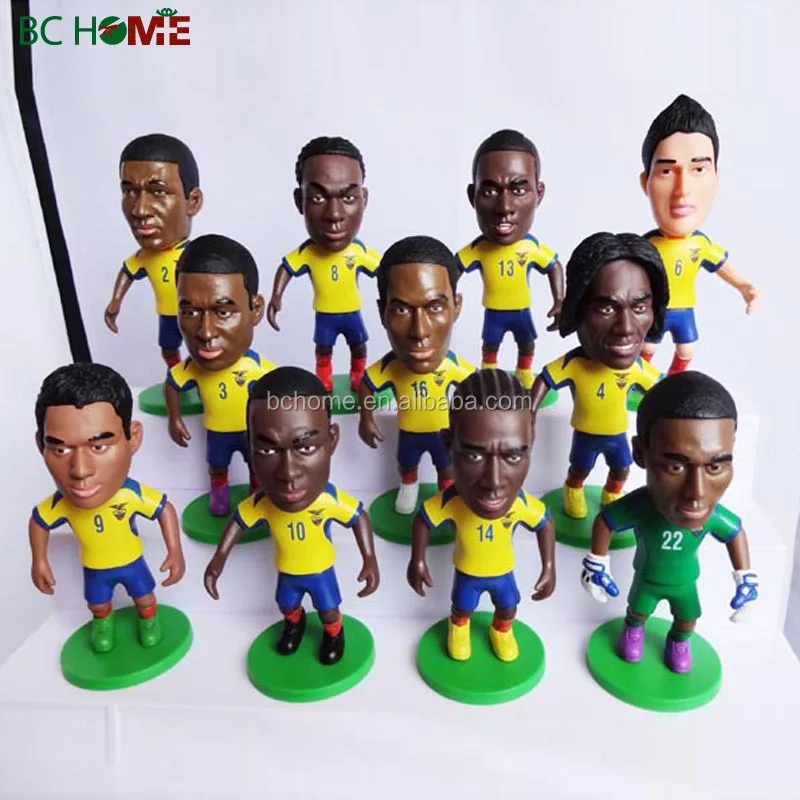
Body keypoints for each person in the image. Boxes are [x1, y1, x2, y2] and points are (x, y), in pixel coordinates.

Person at [581, 371, 759, 673]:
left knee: (687, 618)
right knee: (638, 611)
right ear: (640, 454)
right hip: (647, 580)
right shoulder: (641, 506)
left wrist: (745, 577)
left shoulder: (712, 514)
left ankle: (679, 641)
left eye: (714, 467)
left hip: (685, 583)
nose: (696, 493)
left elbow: (735, 533)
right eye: (675, 466)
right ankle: (633, 630)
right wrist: (596, 562)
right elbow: (607, 520)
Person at [203, 367, 380, 665]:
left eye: (306, 447)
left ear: (332, 440)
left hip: (320, 571)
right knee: (286, 605)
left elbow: (358, 517)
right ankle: (294, 626)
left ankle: (334, 634)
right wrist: (219, 558)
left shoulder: (328, 500)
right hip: (286, 571)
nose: (288, 473)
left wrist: (370, 557)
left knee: (328, 609)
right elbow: (239, 520)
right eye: (267, 451)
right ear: (250, 446)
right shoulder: (263, 502)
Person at [29, 363, 185, 653]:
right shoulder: (61, 504)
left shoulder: (130, 495)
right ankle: (103, 625)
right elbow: (39, 521)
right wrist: (39, 560)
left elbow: (164, 508)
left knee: (145, 596)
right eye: (60, 449)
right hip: (95, 568)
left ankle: (149, 621)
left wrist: (174, 550)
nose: (80, 470)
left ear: (133, 438)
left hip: (131, 562)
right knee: (98, 604)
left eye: (98, 447)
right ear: (41, 445)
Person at [408, 369, 556, 662]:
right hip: (467, 573)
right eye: (474, 456)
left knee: (508, 606)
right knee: (462, 606)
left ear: (531, 441)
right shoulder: (451, 501)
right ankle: (459, 628)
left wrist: (549, 566)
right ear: (448, 445)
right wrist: (417, 560)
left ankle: (501, 630)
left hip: (503, 573)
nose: (493, 482)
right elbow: (423, 519)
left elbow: (544, 523)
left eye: (513, 456)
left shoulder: (521, 504)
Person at [530, 232, 668, 520]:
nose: (625, 327)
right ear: (577, 309)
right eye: (607, 308)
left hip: (617, 434)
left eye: (639, 307)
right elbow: (545, 379)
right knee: (580, 468)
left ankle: (612, 493)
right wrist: (528, 413)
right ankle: (573, 489)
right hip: (586, 435)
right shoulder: (575, 364)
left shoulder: (637, 369)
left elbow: (664, 390)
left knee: (622, 467)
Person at [639, 95, 759, 375]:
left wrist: (744, 287)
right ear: (645, 182)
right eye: (667, 171)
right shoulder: (647, 246)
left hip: (684, 310)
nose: (682, 190)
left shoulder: (701, 245)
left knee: (687, 349)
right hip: (655, 310)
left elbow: (723, 267)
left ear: (716, 178)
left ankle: (675, 382)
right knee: (647, 347)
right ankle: (639, 382)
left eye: (699, 169)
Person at [358, 235, 474, 515]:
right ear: (382, 311)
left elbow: (476, 391)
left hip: (443, 432)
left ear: (456, 306)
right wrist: (366, 418)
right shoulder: (390, 367)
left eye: (435, 307)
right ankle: (408, 489)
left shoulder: (456, 368)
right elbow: (367, 384)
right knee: (407, 464)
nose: (419, 331)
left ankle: (446, 496)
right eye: (401, 309)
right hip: (409, 433)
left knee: (446, 466)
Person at [165, 234, 276, 516]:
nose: (205, 332)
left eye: (223, 312)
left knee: (256, 467)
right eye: (190, 312)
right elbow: (173, 383)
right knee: (217, 469)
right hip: (216, 435)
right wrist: (174, 418)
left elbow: (280, 396)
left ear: (256, 309)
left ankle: (256, 504)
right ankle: (218, 504)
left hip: (251, 433)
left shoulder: (259, 369)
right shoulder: (191, 368)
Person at [267, 136, 380, 392]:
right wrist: (276, 297)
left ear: (364, 199)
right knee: (323, 349)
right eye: (318, 198)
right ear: (299, 201)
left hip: (352, 312)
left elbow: (387, 272)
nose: (334, 215)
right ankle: (323, 379)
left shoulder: (359, 252)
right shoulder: (307, 253)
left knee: (359, 345)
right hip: (325, 315)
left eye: (348, 198)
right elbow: (286, 268)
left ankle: (358, 375)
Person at [456, 129, 564, 389]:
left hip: (521, 310)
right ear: (472, 196)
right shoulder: (478, 249)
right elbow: (451, 269)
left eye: (519, 190)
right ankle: (489, 376)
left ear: (539, 193)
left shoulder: (531, 248)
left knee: (527, 343)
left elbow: (553, 265)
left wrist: (560, 300)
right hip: (493, 311)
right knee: (490, 345)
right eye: (490, 192)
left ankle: (524, 373)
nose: (504, 207)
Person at [105, 133, 203, 368]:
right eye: (129, 191)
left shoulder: (197, 254)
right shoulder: (144, 258)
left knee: (202, 345)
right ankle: (176, 375)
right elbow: (128, 272)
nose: (140, 210)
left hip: (197, 316)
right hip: (167, 314)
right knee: (169, 348)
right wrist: (115, 301)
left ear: (193, 201)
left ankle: (200, 377)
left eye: (158, 191)